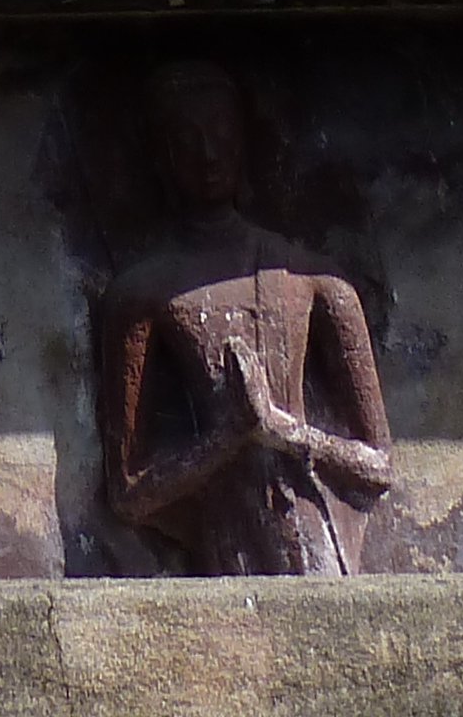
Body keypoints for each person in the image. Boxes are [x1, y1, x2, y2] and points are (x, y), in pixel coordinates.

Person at [99, 59, 392, 576]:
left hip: (316, 532)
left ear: (243, 141)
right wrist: (226, 439)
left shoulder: (314, 281)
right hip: (225, 542)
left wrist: (287, 433)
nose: (207, 154)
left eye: (220, 133)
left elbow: (377, 462)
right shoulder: (142, 293)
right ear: (162, 157)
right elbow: (128, 493)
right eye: (187, 140)